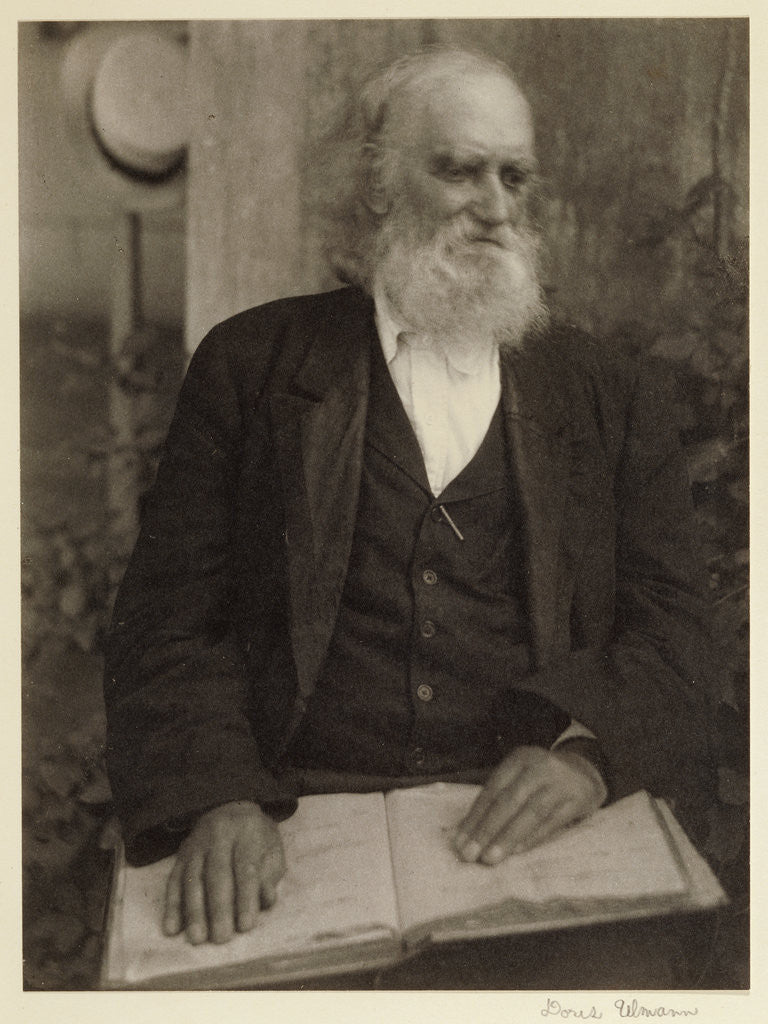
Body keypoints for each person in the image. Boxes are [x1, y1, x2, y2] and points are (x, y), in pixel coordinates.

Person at [103, 47, 717, 970]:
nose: (497, 208)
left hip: (526, 833)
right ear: (380, 185)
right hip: (295, 813)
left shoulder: (608, 393)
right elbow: (168, 622)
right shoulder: (251, 367)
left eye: (514, 176)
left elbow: (675, 628)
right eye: (459, 170)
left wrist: (586, 757)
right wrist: (218, 795)